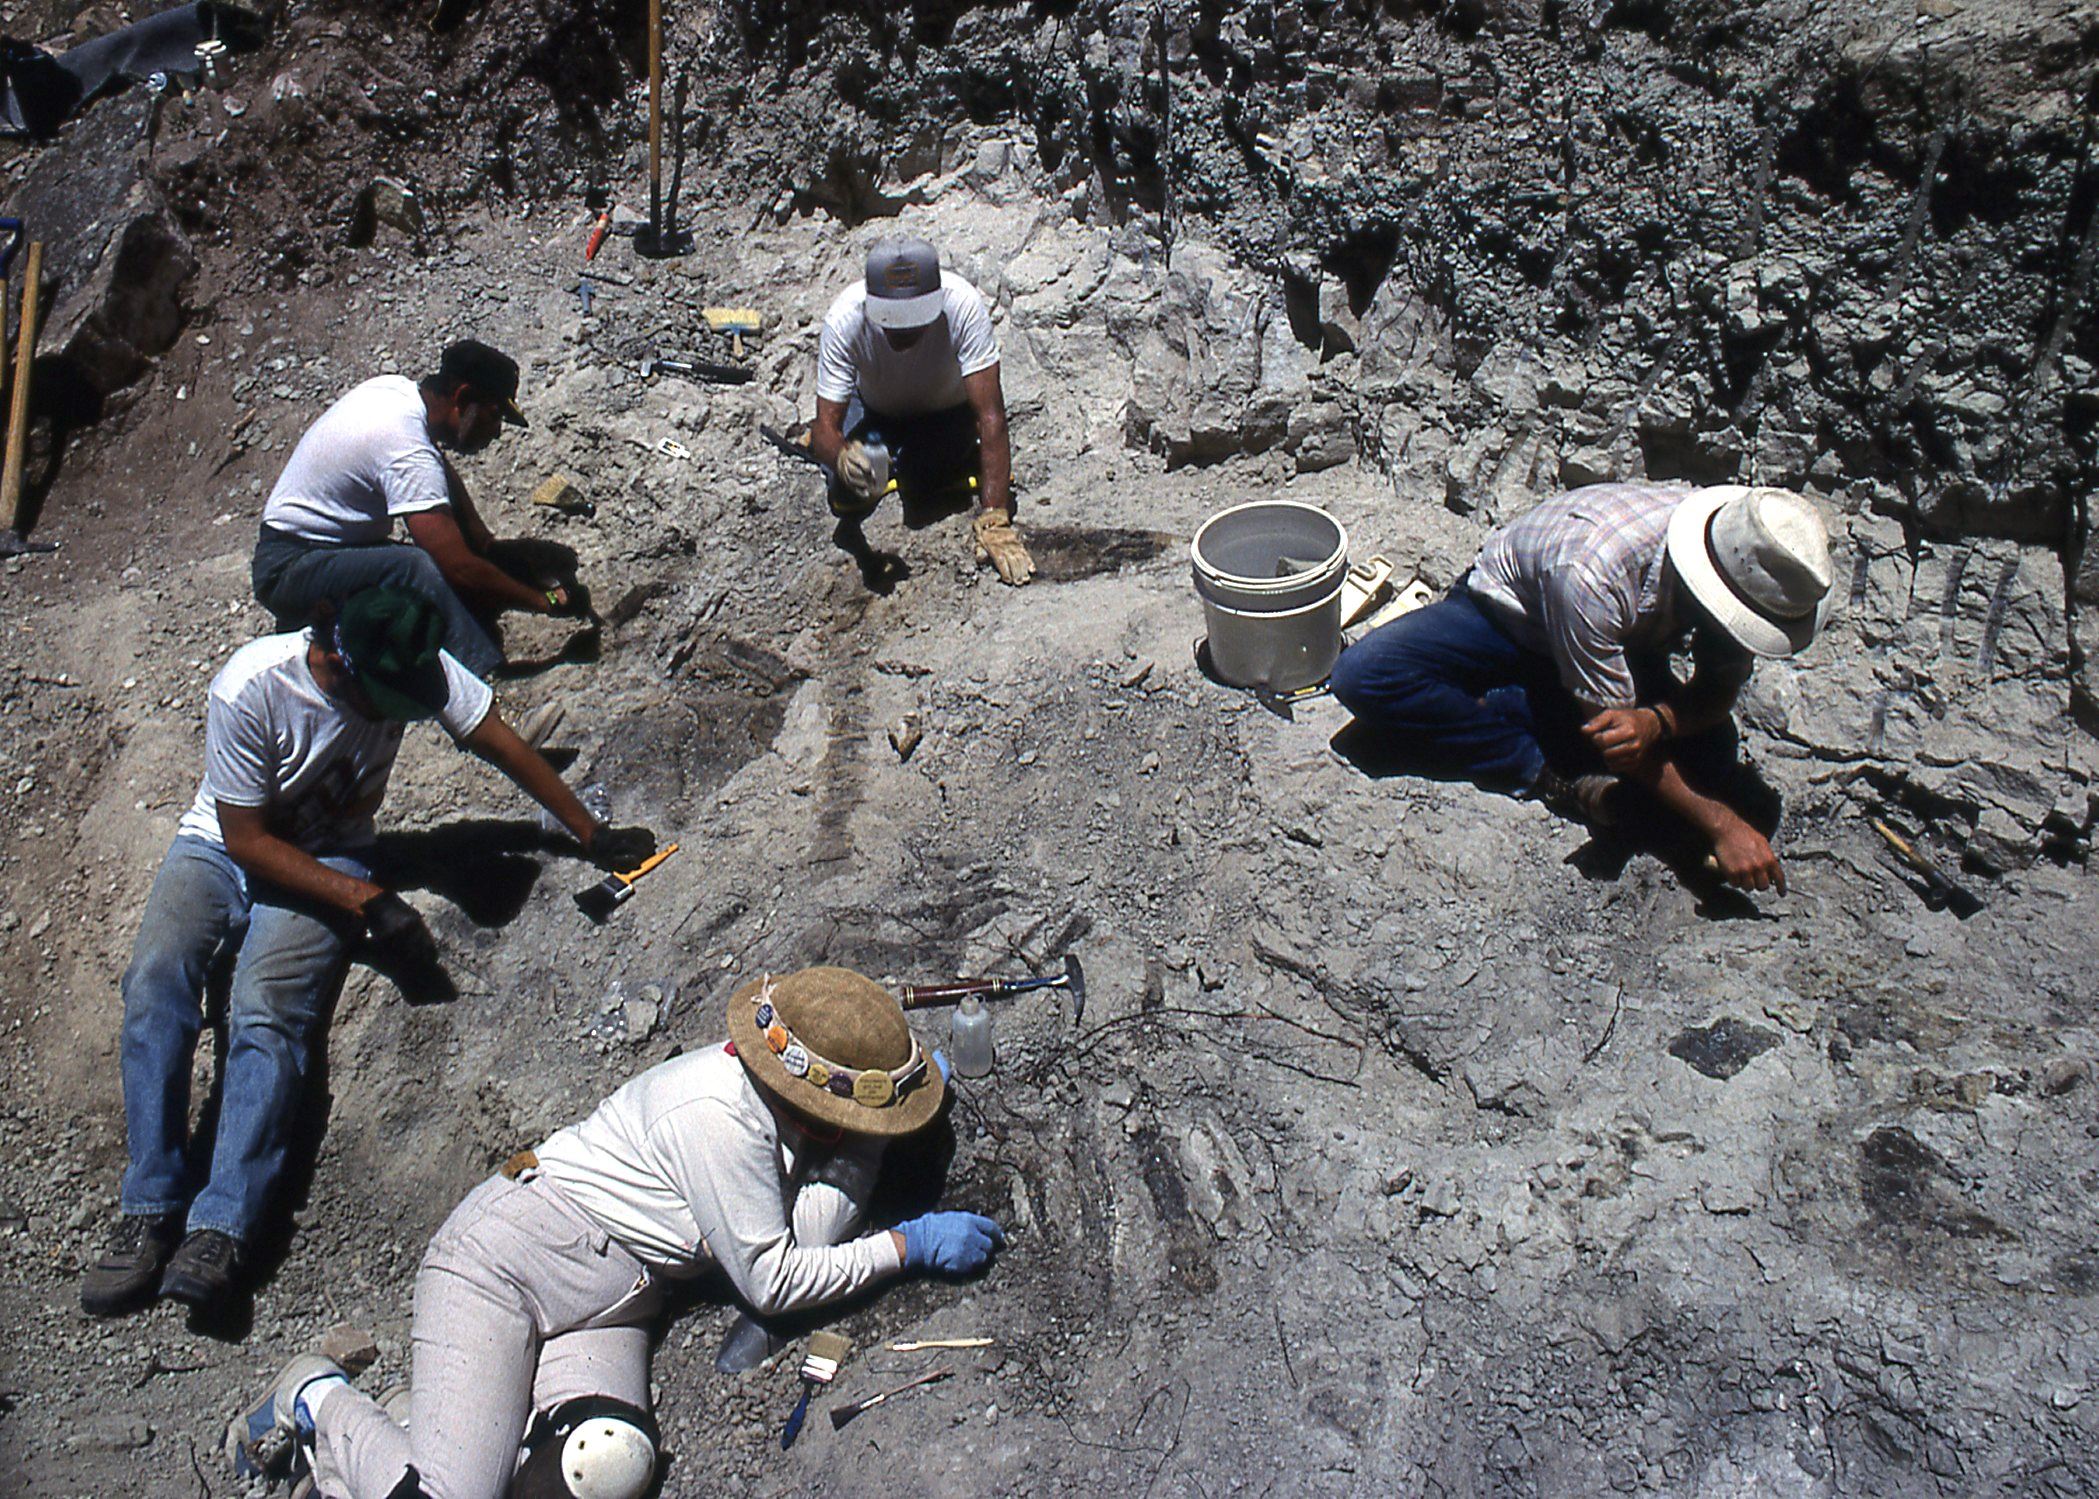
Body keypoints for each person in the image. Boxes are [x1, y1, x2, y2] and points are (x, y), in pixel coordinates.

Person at [81, 586, 656, 1319]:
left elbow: (498, 740)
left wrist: (588, 832)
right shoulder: (251, 687)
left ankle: (221, 1226)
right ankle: (150, 1205)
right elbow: (246, 840)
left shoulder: (412, 660)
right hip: (221, 847)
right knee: (156, 980)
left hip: (331, 851)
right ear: (336, 657)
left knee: (266, 1009)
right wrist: (368, 901)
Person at [228, 965, 1005, 1499]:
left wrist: (870, 1135)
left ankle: (420, 1424)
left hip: (612, 1302)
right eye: (844, 1118)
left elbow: (811, 1232)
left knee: (600, 1467)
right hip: (503, 1266)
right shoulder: (719, 1115)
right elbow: (773, 1282)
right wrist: (905, 1246)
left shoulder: (784, 1113)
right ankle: (316, 1397)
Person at [1331, 483, 1834, 893]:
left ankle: (1539, 706)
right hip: (1509, 620)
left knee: (1713, 752)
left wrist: (1655, 721)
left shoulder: (1749, 552)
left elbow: (1716, 688)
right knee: (1365, 675)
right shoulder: (1595, 571)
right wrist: (1723, 825)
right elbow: (1620, 744)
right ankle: (1540, 767)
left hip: (1617, 641)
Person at [251, 339, 585, 677]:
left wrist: (484, 544)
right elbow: (457, 566)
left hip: (312, 551)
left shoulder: (397, 394)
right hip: (287, 570)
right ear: (463, 398)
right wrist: (545, 601)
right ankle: (482, 674)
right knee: (413, 566)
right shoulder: (406, 448)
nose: (496, 432)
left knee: (428, 566)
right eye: (494, 414)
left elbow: (435, 469)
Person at [808, 236, 1035, 586]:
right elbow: (825, 427)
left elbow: (990, 416)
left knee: (923, 477)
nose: (904, 331)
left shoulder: (963, 306)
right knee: (848, 491)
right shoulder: (845, 318)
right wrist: (841, 455)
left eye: (914, 319)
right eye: (892, 319)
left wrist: (995, 519)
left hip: (946, 414)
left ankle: (929, 460)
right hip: (875, 412)